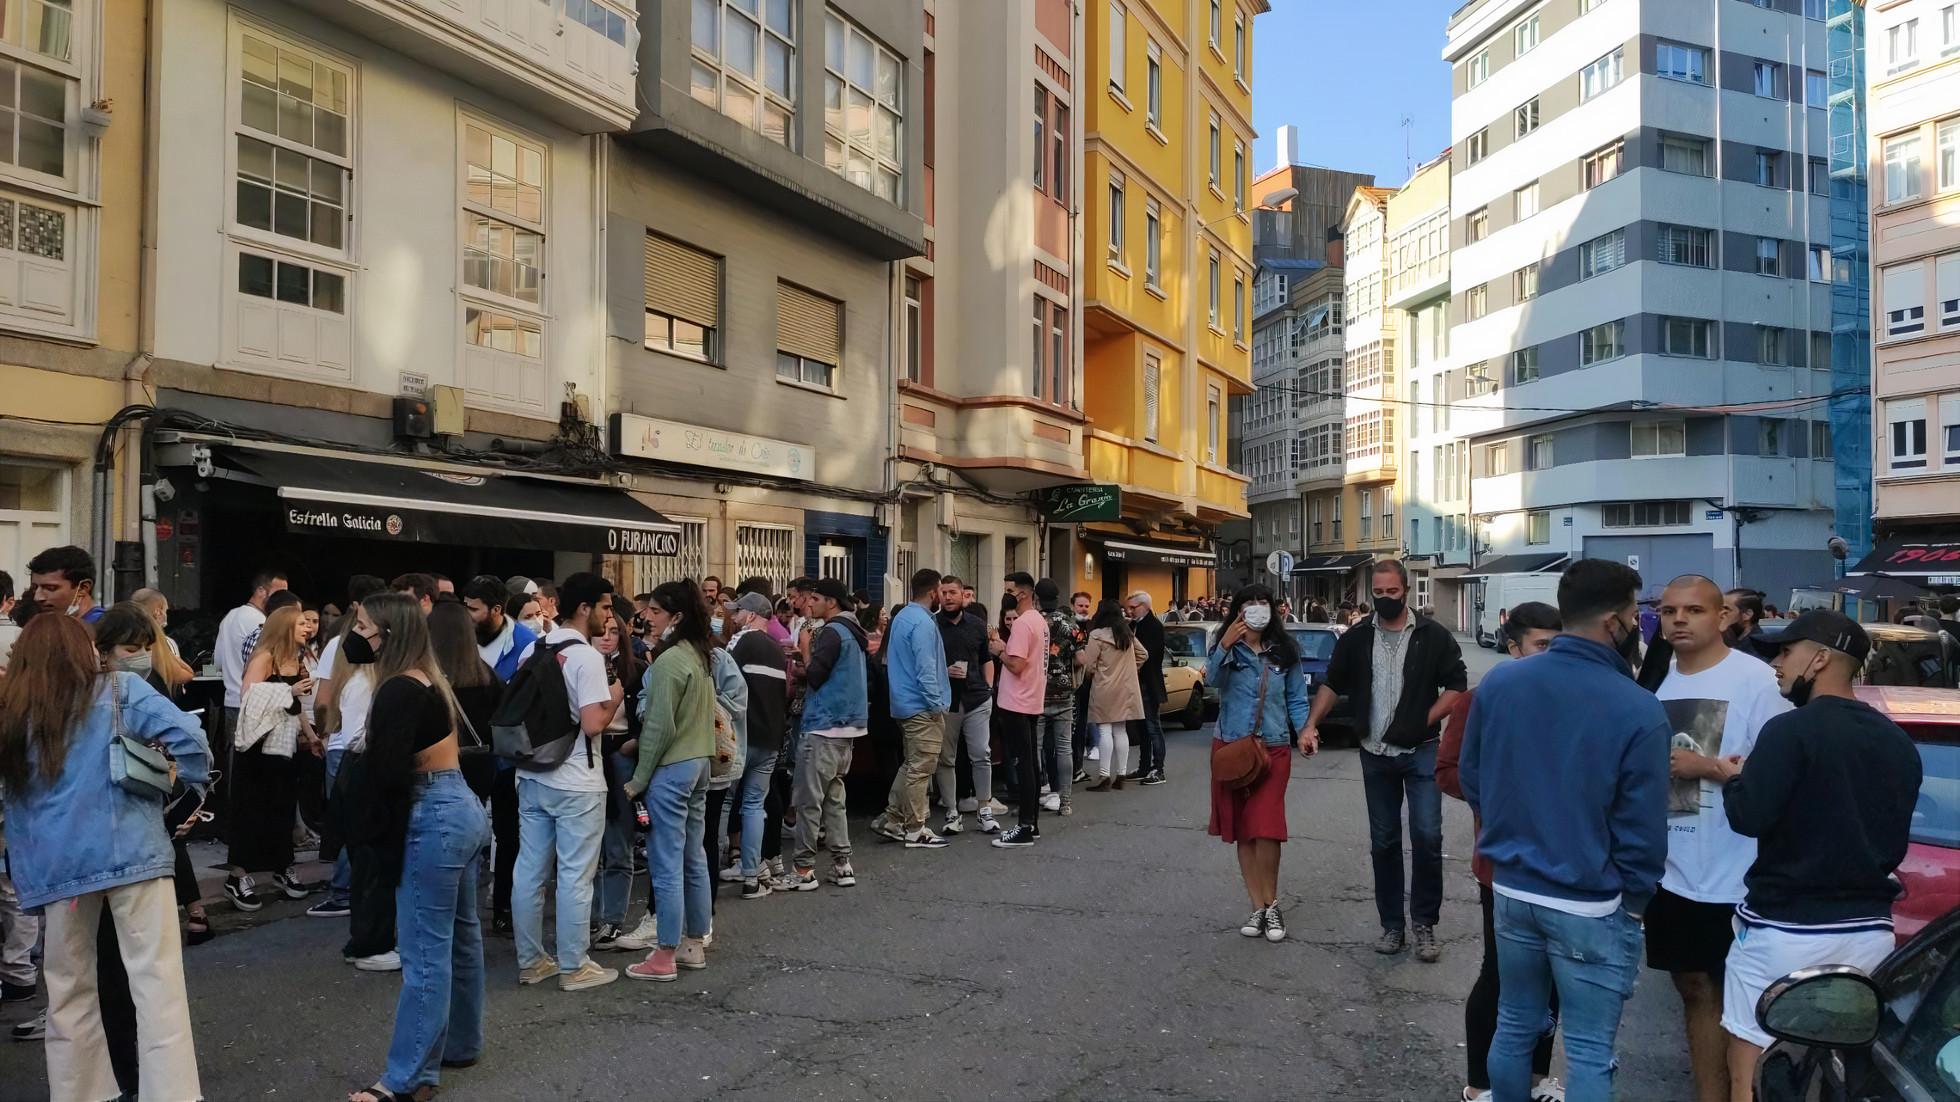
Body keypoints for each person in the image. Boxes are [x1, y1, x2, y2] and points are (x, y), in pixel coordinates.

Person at [1460, 559, 1670, 1102]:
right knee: (1589, 1050)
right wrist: (1635, 900)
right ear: (1614, 622)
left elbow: (1473, 775)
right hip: (1590, 899)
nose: (1636, 627)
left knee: (1513, 1025)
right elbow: (1643, 827)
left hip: (1512, 886)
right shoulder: (1637, 708)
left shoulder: (1501, 683)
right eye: (1633, 616)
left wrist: (1508, 835)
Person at [1712, 610, 1922, 1101]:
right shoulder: (1898, 742)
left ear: (1822, 658)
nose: (1777, 665)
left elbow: (1749, 816)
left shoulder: (1789, 731)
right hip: (1869, 934)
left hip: (1784, 929)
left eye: (1786, 652)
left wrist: (1732, 779)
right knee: (1837, 1069)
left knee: (1752, 1055)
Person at [0, 613, 208, 1102]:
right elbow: (193, 741)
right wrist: (183, 782)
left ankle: (82, 1093)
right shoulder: (120, 691)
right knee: (157, 984)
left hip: (59, 872)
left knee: (68, 993)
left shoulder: (14, 713)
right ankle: (172, 1094)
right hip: (132, 855)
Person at [1646, 575, 1791, 1102]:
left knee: (1743, 1003)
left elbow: (1784, 768)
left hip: (1739, 873)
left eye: (1693, 610)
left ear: (1723, 618)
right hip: (1675, 868)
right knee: (1692, 990)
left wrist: (1705, 766)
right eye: (1668, 611)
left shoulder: (1755, 680)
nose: (1679, 620)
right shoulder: (1661, 680)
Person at [344, 594, 490, 1102]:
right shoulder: (429, 679)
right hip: (460, 807)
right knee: (461, 937)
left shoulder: (398, 690)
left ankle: (407, 1080)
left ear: (386, 632)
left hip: (431, 813)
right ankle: (461, 1044)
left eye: (362, 625)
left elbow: (387, 773)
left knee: (425, 952)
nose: (355, 635)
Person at [1437, 602, 1565, 1102]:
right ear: (1513, 648)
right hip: (1503, 863)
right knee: (1502, 973)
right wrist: (1507, 803)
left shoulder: (1570, 698)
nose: (1552, 656)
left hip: (1563, 862)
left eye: (1560, 644)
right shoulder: (1481, 698)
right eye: (1541, 645)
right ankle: (1480, 1085)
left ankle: (1536, 1080)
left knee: (1552, 979)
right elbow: (1447, 770)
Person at [1309, 559, 1467, 961]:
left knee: (1428, 838)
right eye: (1377, 594)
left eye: (1391, 593)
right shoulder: (1358, 637)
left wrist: (1422, 720)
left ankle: (1424, 925)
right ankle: (1392, 926)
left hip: (1421, 752)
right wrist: (1311, 724)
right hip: (1374, 753)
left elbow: (1456, 686)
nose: (1384, 599)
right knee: (1384, 842)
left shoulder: (1433, 635)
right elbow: (1332, 683)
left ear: (1406, 591)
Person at [511, 572, 624, 992]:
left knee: (530, 870)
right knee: (576, 874)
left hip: (532, 772)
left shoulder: (534, 650)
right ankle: (574, 964)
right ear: (585, 608)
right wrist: (615, 695)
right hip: (577, 778)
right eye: (606, 607)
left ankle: (532, 961)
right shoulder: (586, 657)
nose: (609, 615)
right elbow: (594, 723)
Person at [620, 580, 718, 981]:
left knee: (665, 863)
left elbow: (658, 727)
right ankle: (694, 942)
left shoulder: (668, 662)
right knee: (693, 857)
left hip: (672, 769)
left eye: (656, 612)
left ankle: (664, 954)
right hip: (699, 763)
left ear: (676, 616)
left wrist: (637, 780)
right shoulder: (700, 654)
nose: (648, 617)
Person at [1205, 584, 1312, 942]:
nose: (1256, 609)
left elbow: (1297, 698)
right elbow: (1212, 681)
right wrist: (1224, 645)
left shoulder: (1284, 652)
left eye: (1262, 603)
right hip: (1232, 748)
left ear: (1273, 610)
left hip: (1275, 747)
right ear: (1237, 610)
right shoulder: (1226, 647)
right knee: (1243, 832)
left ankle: (1272, 903)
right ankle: (1257, 905)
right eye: (1249, 603)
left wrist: (1304, 732)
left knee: (1266, 827)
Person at [225, 603, 317, 911]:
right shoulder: (265, 657)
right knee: (251, 809)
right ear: (285, 627)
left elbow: (296, 707)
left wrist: (312, 735)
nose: (307, 627)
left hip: (285, 745)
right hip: (257, 748)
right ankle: (238, 875)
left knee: (282, 808)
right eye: (301, 623)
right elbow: (248, 698)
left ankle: (282, 866)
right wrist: (287, 693)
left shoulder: (297, 659)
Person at [309, 575, 386, 926]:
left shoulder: (338, 645)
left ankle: (343, 892)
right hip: (363, 747)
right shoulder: (391, 652)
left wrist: (324, 735)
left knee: (345, 822)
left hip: (344, 746)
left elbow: (323, 699)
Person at [785, 578, 869, 887]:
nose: (810, 604)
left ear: (831, 602)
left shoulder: (833, 631)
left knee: (809, 800)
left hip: (824, 723)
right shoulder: (854, 630)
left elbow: (817, 674)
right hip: (848, 727)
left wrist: (804, 654)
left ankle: (803, 870)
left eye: (816, 599)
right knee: (834, 799)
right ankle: (841, 863)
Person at [873, 569, 951, 849]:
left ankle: (892, 818)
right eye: (942, 591)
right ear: (933, 592)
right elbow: (926, 668)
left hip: (904, 703)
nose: (943, 596)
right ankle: (916, 827)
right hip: (921, 705)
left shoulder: (902, 617)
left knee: (910, 764)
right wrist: (935, 704)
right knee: (921, 768)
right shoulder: (923, 623)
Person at [727, 592, 787, 897]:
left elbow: (721, 680)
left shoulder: (742, 641)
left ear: (751, 615)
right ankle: (751, 875)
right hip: (770, 739)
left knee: (726, 802)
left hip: (741, 736)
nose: (733, 617)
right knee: (753, 805)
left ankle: (710, 869)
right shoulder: (777, 650)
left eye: (738, 612)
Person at [935, 576, 996, 835]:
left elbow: (986, 659)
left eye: (952, 593)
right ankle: (952, 812)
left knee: (981, 754)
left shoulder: (977, 625)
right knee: (945, 758)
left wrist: (989, 688)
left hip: (977, 698)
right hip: (946, 700)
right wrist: (943, 670)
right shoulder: (932, 626)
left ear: (963, 595)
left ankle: (985, 810)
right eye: (943, 592)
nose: (948, 597)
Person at [992, 573, 1047, 848]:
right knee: (1031, 763)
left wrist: (999, 650)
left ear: (1022, 594)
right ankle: (1032, 823)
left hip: (1017, 700)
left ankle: (1025, 826)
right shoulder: (1039, 621)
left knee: (1023, 763)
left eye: (1009, 590)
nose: (1006, 594)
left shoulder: (1024, 623)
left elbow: (1016, 664)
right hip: (1032, 697)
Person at [1078, 600, 1147, 792]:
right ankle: (1122, 774)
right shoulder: (1126, 633)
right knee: (1120, 730)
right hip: (1126, 688)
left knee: (1104, 731)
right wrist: (1131, 670)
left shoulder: (1097, 635)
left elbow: (1089, 665)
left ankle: (1104, 776)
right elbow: (1143, 654)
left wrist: (1096, 674)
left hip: (1104, 687)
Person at [215, 569, 290, 742]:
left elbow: (217, 662)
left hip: (231, 702)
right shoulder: (264, 624)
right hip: (255, 707)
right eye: (279, 593)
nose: (283, 600)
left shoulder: (229, 617)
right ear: (261, 590)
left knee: (234, 764)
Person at [1033, 579, 1081, 815]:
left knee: (1035, 747)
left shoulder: (1032, 622)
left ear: (1036, 597)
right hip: (1063, 691)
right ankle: (1066, 802)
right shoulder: (1069, 625)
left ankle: (1031, 800)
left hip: (1036, 692)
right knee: (1064, 748)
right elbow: (1082, 659)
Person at [1122, 591, 1169, 785]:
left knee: (1152, 726)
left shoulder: (1154, 625)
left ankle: (1158, 768)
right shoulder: (1134, 625)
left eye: (1134, 607)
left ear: (1145, 606)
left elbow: (1149, 654)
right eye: (1128, 608)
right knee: (1142, 728)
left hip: (1148, 683)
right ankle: (1143, 766)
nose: (1130, 611)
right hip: (1136, 682)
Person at [466, 575, 537, 683]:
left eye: (474, 609)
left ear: (496, 610)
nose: (467, 614)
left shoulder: (527, 643)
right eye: (465, 607)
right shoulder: (459, 635)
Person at [25, 545, 105, 625]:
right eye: (34, 588)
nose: (38, 597)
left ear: (83, 588)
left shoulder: (105, 629)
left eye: (50, 588)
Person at [1722, 588, 1766, 655]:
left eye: (1727, 610)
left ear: (1747, 614)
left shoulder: (1757, 649)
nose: (1720, 614)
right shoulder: (1731, 638)